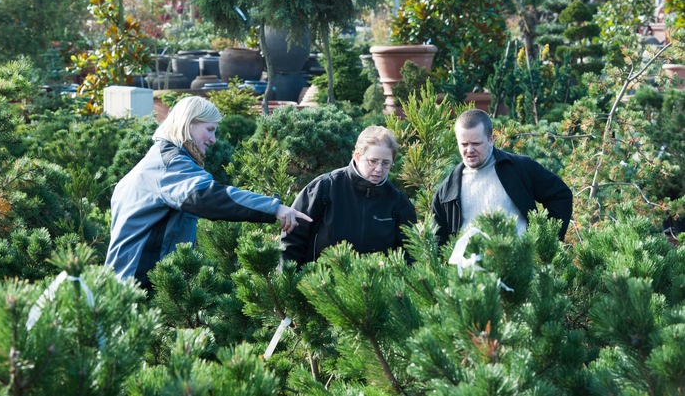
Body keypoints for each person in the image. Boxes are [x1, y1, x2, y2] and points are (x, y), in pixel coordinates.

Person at [106, 96, 311, 289]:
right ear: (188, 124)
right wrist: (273, 207)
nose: (213, 139)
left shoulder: (155, 163)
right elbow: (209, 197)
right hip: (137, 288)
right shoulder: (169, 165)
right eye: (210, 129)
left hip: (126, 284)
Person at [281, 125, 417, 268]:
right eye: (373, 161)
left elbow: (410, 253)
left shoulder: (398, 202)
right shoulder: (324, 188)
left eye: (386, 163)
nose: (379, 169)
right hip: (321, 285)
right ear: (357, 157)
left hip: (374, 287)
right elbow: (292, 240)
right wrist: (291, 283)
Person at [431, 109, 572, 244]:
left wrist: (545, 243)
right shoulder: (447, 191)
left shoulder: (519, 168)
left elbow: (560, 196)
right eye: (464, 144)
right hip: (472, 268)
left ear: (491, 139)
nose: (470, 150)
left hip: (521, 265)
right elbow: (439, 242)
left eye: (476, 143)